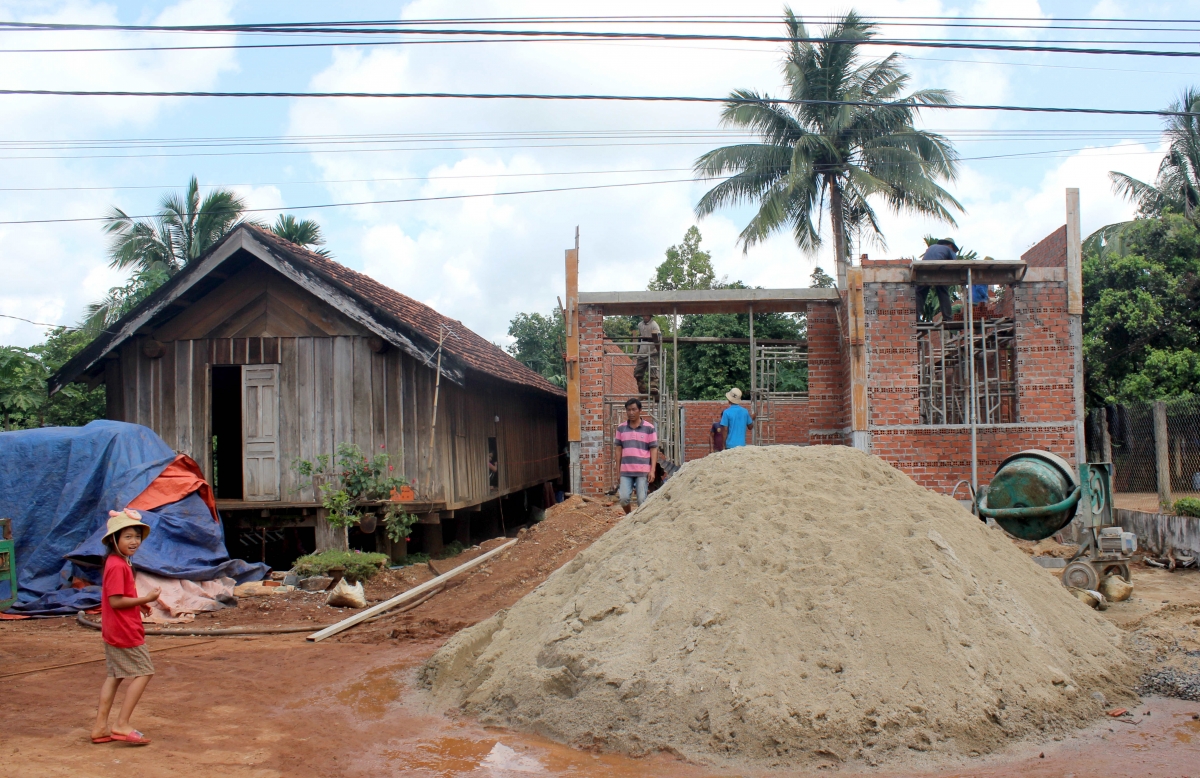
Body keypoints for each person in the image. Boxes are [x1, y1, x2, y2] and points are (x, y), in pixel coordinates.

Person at [91, 510, 160, 747]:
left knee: (115, 676)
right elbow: (115, 601)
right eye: (128, 536)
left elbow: (120, 596)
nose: (134, 542)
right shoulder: (118, 566)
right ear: (114, 539)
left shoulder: (116, 562)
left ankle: (100, 727)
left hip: (114, 627)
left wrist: (139, 606)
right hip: (124, 630)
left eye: (137, 537)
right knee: (144, 671)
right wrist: (145, 599)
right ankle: (121, 724)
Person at [613, 397, 658, 514]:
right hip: (626, 470)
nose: (631, 413)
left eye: (634, 409)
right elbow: (618, 450)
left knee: (642, 500)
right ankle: (629, 517)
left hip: (642, 470)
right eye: (628, 410)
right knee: (623, 499)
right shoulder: (621, 428)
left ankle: (640, 522)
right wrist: (617, 471)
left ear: (640, 410)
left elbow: (654, 449)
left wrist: (652, 470)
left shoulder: (649, 428)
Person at [915, 238, 958, 322]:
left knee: (920, 292)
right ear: (951, 245)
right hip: (938, 269)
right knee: (943, 291)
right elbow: (955, 263)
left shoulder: (931, 247)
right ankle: (947, 318)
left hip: (923, 270)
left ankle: (916, 318)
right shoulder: (949, 249)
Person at [634, 314, 661, 397]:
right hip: (642, 352)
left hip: (652, 351)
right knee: (637, 373)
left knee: (653, 370)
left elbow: (659, 336)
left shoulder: (654, 325)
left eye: (647, 316)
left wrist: (658, 345)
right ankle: (642, 390)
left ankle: (653, 387)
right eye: (644, 315)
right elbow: (640, 337)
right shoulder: (640, 325)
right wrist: (637, 350)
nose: (645, 317)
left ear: (650, 316)